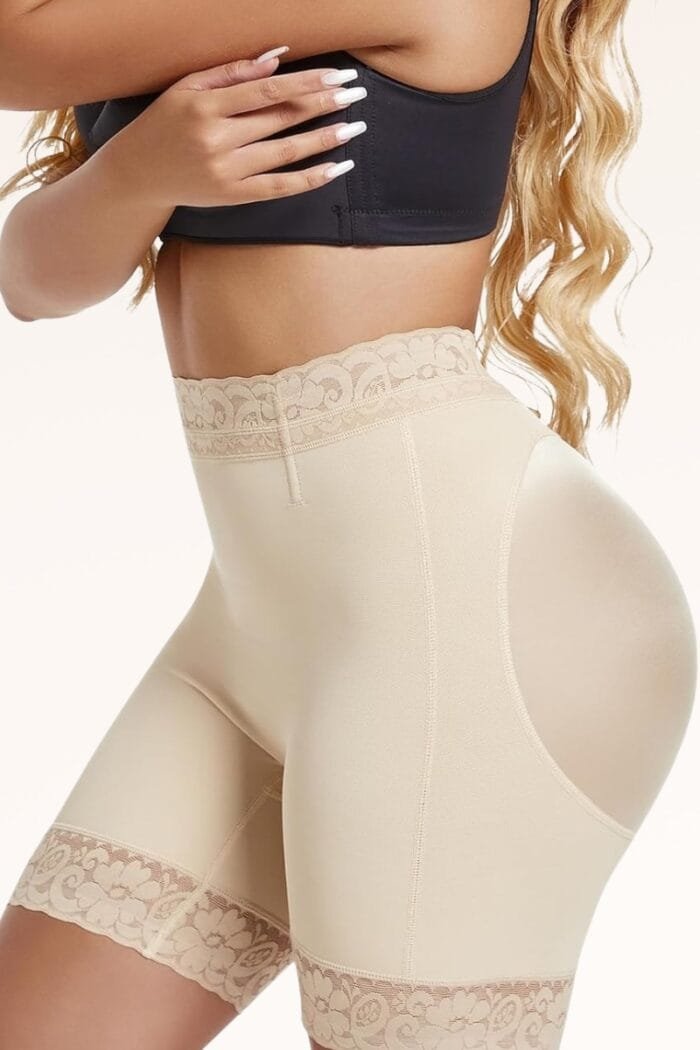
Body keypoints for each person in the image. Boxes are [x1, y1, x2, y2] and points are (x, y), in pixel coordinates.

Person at [0, 2, 696, 1048]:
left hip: (466, 619)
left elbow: (15, 52)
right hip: (253, 632)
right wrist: (141, 172)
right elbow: (32, 281)